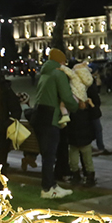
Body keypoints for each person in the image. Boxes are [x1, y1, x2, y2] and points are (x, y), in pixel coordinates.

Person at [32, 48, 80, 199]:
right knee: (50, 156)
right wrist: (76, 105)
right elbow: (67, 96)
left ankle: (52, 185)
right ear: (61, 62)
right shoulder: (58, 74)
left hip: (39, 116)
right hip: (51, 118)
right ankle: (47, 188)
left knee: (48, 155)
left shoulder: (44, 73)